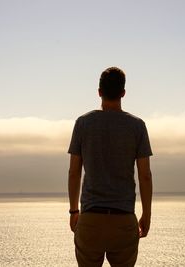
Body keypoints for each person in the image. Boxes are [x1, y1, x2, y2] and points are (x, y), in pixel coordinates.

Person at [68, 67, 153, 267]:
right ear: (123, 93)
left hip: (90, 219)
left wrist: (73, 211)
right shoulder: (137, 126)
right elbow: (145, 176)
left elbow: (74, 172)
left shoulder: (83, 123)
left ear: (99, 92)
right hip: (123, 220)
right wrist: (146, 214)